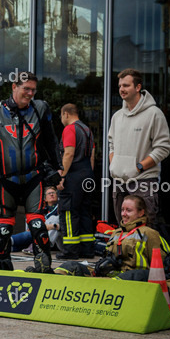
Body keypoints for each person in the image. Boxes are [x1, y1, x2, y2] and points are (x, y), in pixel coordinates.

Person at [0, 71, 60, 273]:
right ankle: (3, 267)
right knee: (3, 229)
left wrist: (59, 169)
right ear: (14, 87)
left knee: (38, 225)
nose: (30, 93)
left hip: (33, 177)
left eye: (33, 90)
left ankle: (44, 270)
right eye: (26, 89)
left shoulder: (40, 108)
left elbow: (51, 140)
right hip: (5, 179)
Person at [107, 68, 170, 229]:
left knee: (146, 229)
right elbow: (111, 144)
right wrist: (114, 164)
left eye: (126, 85)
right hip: (119, 181)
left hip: (144, 180)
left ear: (137, 87)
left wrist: (139, 167)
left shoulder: (154, 114)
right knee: (124, 228)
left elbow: (163, 148)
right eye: (120, 85)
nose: (122, 89)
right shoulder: (117, 117)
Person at [88, 194, 170, 279]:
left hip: (135, 282)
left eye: (128, 210)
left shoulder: (149, 233)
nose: (123, 214)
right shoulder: (116, 233)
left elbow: (163, 266)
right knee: (74, 268)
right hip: (112, 278)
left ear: (141, 213)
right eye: (122, 210)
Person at [57, 103, 97, 259]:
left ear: (66, 114)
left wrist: (61, 176)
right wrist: (88, 175)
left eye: (61, 116)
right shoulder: (87, 130)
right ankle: (87, 249)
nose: (61, 119)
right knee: (85, 211)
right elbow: (92, 155)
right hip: (87, 173)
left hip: (73, 175)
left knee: (68, 212)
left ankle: (70, 250)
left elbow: (68, 154)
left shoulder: (70, 129)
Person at [12, 187, 61, 253]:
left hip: (54, 240)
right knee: (32, 219)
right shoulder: (43, 209)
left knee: (53, 219)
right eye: (49, 193)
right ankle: (5, 245)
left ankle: (5, 239)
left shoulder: (60, 207)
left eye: (53, 193)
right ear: (45, 199)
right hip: (38, 234)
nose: (51, 195)